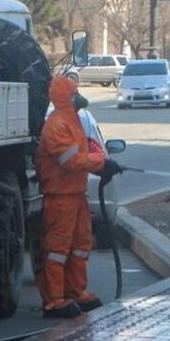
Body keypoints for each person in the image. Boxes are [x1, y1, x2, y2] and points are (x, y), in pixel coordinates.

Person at [34, 76, 124, 318]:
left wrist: (103, 167)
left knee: (80, 246)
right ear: (66, 97)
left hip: (75, 195)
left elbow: (80, 156)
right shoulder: (57, 125)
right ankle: (54, 300)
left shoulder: (71, 121)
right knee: (57, 249)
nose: (79, 96)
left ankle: (76, 293)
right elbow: (70, 159)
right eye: (75, 92)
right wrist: (101, 163)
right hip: (60, 198)